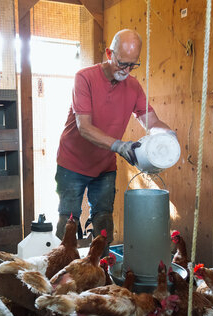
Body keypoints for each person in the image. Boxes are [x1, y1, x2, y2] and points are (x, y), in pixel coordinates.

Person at [55, 29, 175, 255]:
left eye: (132, 65)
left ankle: (100, 269)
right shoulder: (84, 78)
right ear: (109, 53)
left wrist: (167, 137)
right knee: (68, 221)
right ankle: (64, 268)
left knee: (103, 219)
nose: (126, 70)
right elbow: (84, 127)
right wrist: (120, 146)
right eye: (122, 63)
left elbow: (152, 121)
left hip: (104, 165)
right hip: (72, 163)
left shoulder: (133, 87)